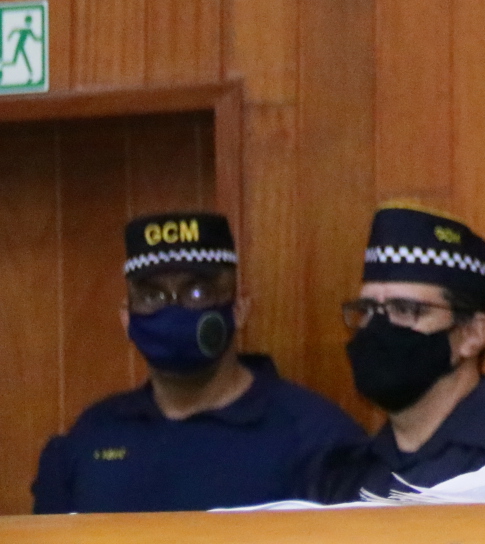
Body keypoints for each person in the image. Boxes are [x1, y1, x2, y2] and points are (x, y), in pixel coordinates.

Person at [32, 211, 362, 512]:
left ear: (239, 308)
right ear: (126, 317)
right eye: (151, 296)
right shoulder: (91, 437)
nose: (173, 310)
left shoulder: (317, 438)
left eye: (197, 293)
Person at [310, 205, 485, 502]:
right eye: (367, 309)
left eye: (405, 309)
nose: (377, 328)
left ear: (473, 334)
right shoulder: (342, 475)